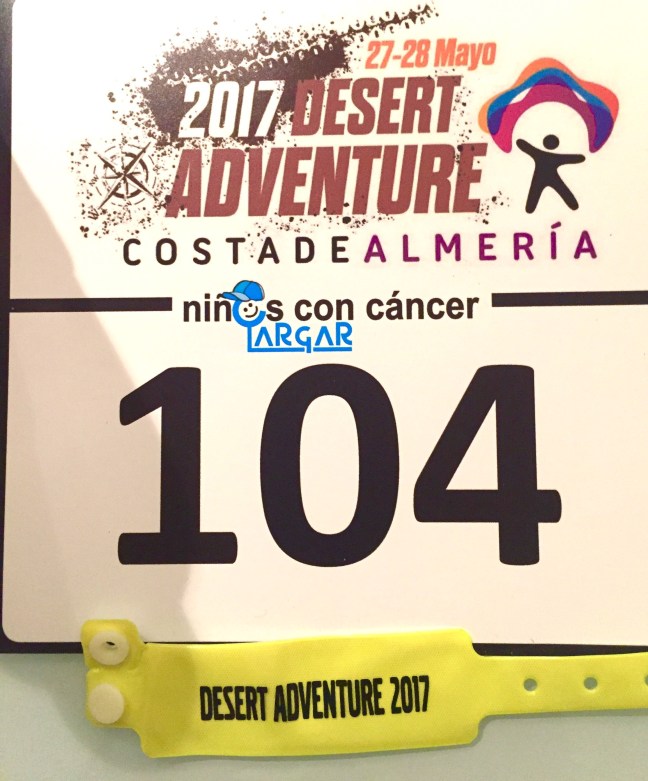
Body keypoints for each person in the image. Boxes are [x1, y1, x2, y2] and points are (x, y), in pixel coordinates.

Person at [516, 134, 585, 213]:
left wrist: (520, 142)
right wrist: (579, 158)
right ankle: (573, 204)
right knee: (563, 191)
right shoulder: (553, 157)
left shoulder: (538, 153)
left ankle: (530, 208)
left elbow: (524, 145)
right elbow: (572, 158)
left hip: (540, 177)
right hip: (551, 178)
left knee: (534, 195)